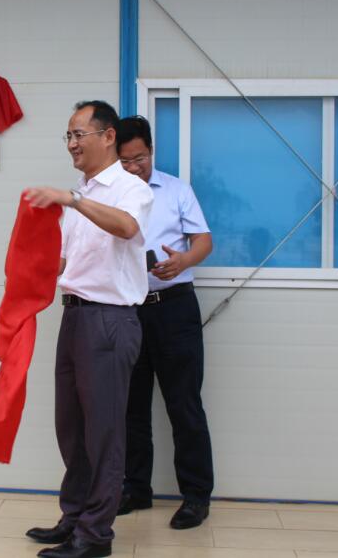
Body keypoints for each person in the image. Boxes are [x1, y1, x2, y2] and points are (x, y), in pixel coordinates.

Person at [23, 101, 153, 558]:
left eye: (79, 134)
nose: (72, 144)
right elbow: (67, 261)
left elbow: (127, 227)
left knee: (104, 432)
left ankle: (96, 536)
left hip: (109, 320)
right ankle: (74, 517)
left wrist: (72, 201)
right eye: (69, 136)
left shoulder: (128, 187)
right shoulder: (81, 193)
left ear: (108, 136)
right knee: (72, 428)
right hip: (75, 316)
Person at [114, 115, 215, 529]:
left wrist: (183, 261)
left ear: (151, 151)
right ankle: (135, 489)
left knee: (183, 403)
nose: (133, 167)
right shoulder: (110, 194)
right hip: (127, 308)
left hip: (174, 308)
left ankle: (196, 496)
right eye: (124, 161)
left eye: (139, 158)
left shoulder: (176, 190)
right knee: (130, 406)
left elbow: (203, 240)